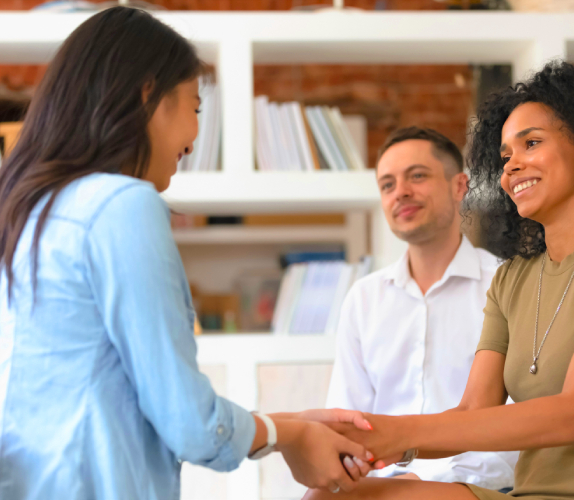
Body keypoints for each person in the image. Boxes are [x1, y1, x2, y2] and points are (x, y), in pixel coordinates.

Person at [0, 8, 373, 499]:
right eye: (195, 108)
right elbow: (190, 425)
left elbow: (127, 399)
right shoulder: (121, 205)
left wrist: (283, 425)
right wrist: (290, 435)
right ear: (147, 93)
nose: (195, 139)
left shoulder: (38, 208)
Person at [304, 61, 574, 500]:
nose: (512, 167)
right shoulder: (511, 279)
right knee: (329, 495)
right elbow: (471, 411)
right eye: (504, 156)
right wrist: (378, 447)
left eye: (532, 144)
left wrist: (397, 433)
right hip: (519, 495)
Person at [325, 127, 517, 488]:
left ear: (460, 186)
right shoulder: (363, 298)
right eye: (387, 185)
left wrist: (418, 483)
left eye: (417, 176)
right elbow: (347, 421)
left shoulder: (505, 285)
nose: (401, 192)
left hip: (474, 488)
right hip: (377, 490)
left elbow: (515, 428)